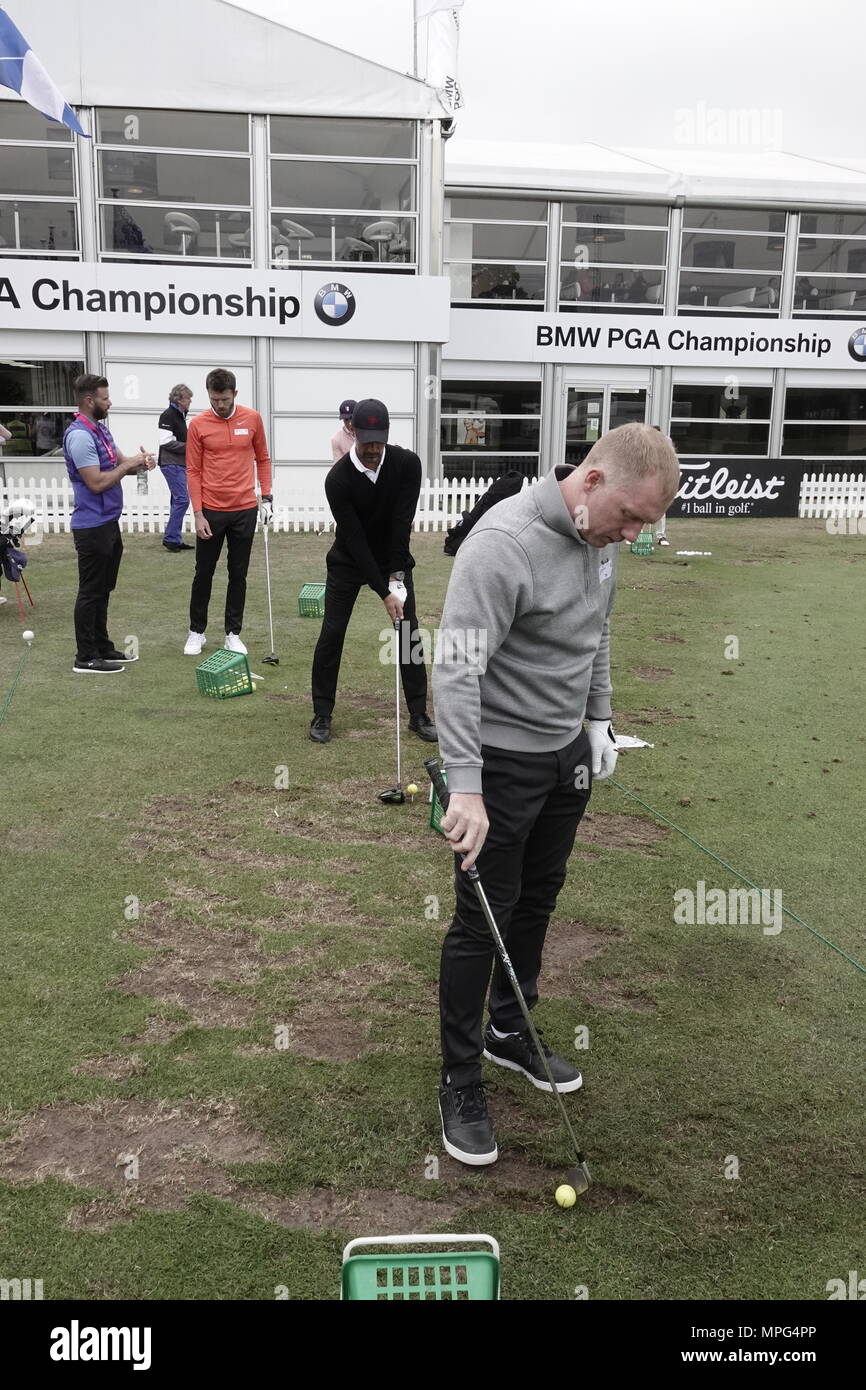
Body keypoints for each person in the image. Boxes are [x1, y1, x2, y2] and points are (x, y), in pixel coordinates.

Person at [431, 422, 680, 1165]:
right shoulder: (502, 544)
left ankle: (510, 1029)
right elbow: (454, 670)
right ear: (593, 481)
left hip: (563, 756)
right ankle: (460, 1076)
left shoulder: (601, 541)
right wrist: (466, 788)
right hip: (499, 767)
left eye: (647, 525)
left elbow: (597, 633)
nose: (633, 535)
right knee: (484, 923)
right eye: (630, 518)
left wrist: (599, 719)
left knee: (539, 899)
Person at [310, 398, 437, 745]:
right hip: (349, 561)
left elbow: (401, 524)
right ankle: (322, 712)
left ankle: (418, 714)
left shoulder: (407, 464)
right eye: (367, 442)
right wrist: (383, 593)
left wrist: (395, 579)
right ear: (352, 432)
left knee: (408, 634)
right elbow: (353, 538)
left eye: (379, 442)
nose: (373, 450)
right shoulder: (337, 480)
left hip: (392, 559)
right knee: (332, 633)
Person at [62, 374, 155, 674]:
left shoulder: (100, 431)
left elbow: (119, 465)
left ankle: (102, 647)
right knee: (90, 591)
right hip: (91, 526)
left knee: (103, 589)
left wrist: (139, 463)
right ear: (90, 401)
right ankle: (85, 657)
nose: (110, 402)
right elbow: (97, 482)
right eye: (105, 398)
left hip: (108, 523)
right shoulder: (79, 436)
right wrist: (127, 465)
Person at [183, 368, 272, 656]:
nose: (219, 405)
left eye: (223, 399)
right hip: (211, 510)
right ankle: (197, 631)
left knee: (238, 573)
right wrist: (198, 513)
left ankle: (233, 633)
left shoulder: (253, 419)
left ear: (234, 394)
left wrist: (267, 497)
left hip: (244, 509)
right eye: (213, 399)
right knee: (204, 572)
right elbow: (193, 470)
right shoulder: (198, 424)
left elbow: (263, 458)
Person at [158, 384, 194, 552]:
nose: (190, 401)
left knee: (177, 500)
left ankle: (175, 538)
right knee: (182, 499)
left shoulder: (179, 415)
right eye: (188, 398)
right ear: (179, 399)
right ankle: (171, 538)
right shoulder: (168, 415)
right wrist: (190, 447)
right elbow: (165, 441)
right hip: (171, 463)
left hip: (177, 463)